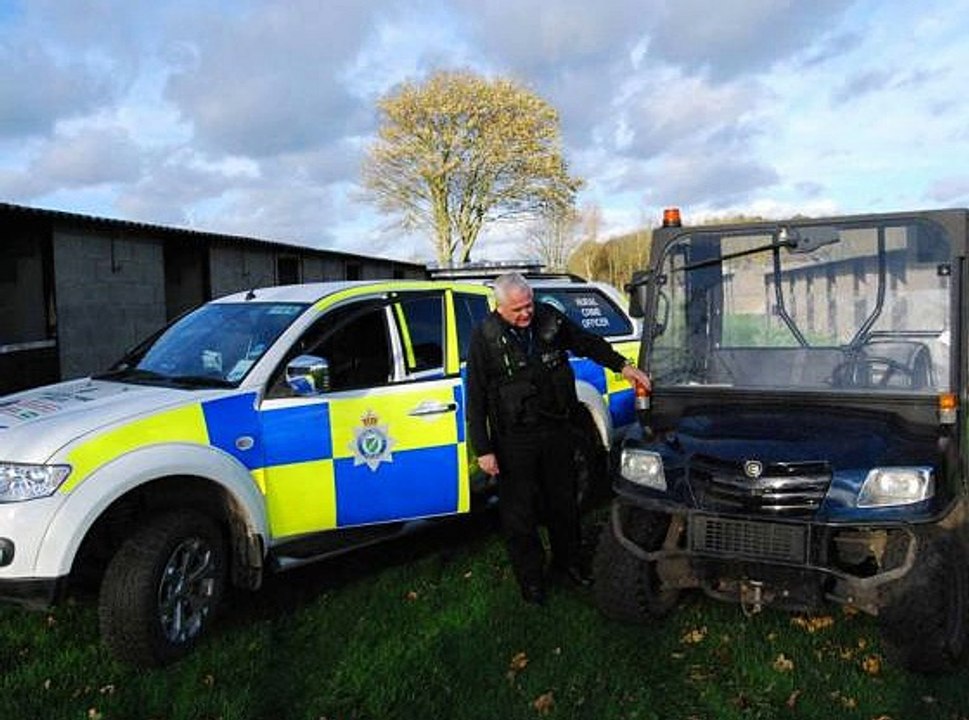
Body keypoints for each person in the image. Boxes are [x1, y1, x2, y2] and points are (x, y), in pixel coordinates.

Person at [466, 272, 651, 605]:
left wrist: (623, 367)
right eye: (517, 310)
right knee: (519, 515)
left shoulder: (548, 318)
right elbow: (476, 397)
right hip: (515, 439)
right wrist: (484, 449)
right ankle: (532, 580)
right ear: (500, 306)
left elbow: (586, 341)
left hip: (557, 430)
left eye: (528, 306)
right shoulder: (485, 337)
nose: (526, 314)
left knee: (564, 505)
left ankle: (569, 564)